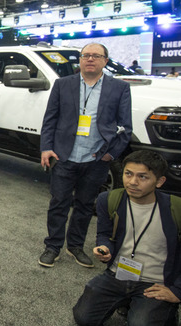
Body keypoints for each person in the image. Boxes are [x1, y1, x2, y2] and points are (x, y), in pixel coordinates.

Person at [72, 150, 181, 325]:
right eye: (128, 174)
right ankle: (128, 302)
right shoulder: (109, 199)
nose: (133, 182)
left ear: (159, 181)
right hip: (118, 274)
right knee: (84, 318)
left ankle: (165, 312)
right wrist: (104, 248)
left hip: (155, 282)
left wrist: (178, 291)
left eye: (143, 177)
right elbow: (104, 234)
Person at [39, 43, 132, 268]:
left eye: (96, 56)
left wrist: (110, 155)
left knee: (85, 205)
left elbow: (125, 127)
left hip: (96, 158)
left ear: (105, 61)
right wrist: (46, 147)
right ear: (80, 60)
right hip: (63, 155)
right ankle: (53, 246)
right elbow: (50, 118)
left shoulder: (119, 88)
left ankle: (76, 246)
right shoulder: (62, 85)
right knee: (58, 203)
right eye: (85, 55)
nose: (90, 59)